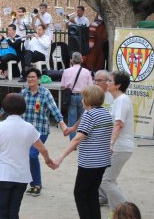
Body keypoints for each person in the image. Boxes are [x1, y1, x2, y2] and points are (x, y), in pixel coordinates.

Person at [0, 93, 54, 219]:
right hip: (21, 176)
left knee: (1, 213)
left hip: (3, 175)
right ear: (23, 108)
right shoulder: (29, 128)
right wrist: (48, 160)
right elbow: (42, 148)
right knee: (13, 212)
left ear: (5, 108)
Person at [0, 67, 67, 196]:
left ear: (39, 79)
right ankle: (23, 181)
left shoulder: (45, 93)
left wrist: (63, 126)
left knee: (32, 155)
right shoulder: (23, 93)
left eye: (33, 77)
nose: (30, 79)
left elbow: (55, 111)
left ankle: (36, 184)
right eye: (28, 77)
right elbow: (7, 107)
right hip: (25, 132)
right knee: (24, 156)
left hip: (41, 130)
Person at [54, 85, 113, 219]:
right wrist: (73, 127)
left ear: (87, 100)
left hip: (89, 162)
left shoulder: (90, 115)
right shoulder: (106, 113)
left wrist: (61, 156)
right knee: (92, 193)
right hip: (103, 161)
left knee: (80, 193)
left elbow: (77, 139)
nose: (81, 100)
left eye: (83, 98)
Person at [99, 71, 135, 213]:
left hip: (120, 146)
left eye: (110, 81)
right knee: (110, 180)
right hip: (120, 146)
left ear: (118, 85)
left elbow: (118, 124)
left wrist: (111, 144)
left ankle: (127, 211)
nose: (107, 83)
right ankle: (117, 211)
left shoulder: (121, 100)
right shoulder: (118, 100)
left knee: (106, 180)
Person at [64, 69, 113, 137]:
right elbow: (85, 115)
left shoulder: (113, 95)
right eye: (95, 80)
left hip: (107, 135)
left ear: (107, 81)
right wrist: (73, 128)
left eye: (99, 80)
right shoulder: (93, 95)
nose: (96, 83)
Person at [61, 52, 93, 140]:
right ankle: (82, 139)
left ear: (71, 60)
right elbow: (90, 86)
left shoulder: (66, 71)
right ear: (82, 60)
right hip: (83, 97)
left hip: (71, 96)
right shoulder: (86, 72)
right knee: (83, 119)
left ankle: (73, 141)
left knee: (72, 119)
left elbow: (63, 85)